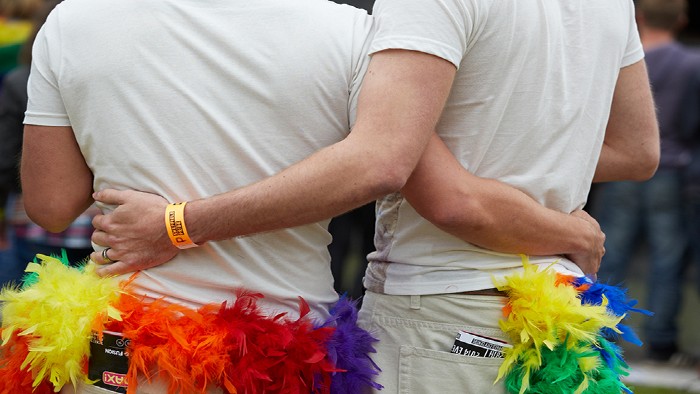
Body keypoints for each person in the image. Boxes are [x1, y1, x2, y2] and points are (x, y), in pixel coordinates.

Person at [18, 0, 657, 393]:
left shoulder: (73, 20)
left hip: (120, 342)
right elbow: (406, 170)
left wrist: (170, 216)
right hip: (283, 354)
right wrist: (570, 228)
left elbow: (50, 204)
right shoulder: (351, 34)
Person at [591, 0, 700, 365]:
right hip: (669, 171)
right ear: (682, 19)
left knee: (609, 253)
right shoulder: (691, 63)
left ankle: (596, 331)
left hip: (619, 171)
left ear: (637, 17)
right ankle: (661, 341)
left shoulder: (616, 58)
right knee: (667, 259)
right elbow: (691, 124)